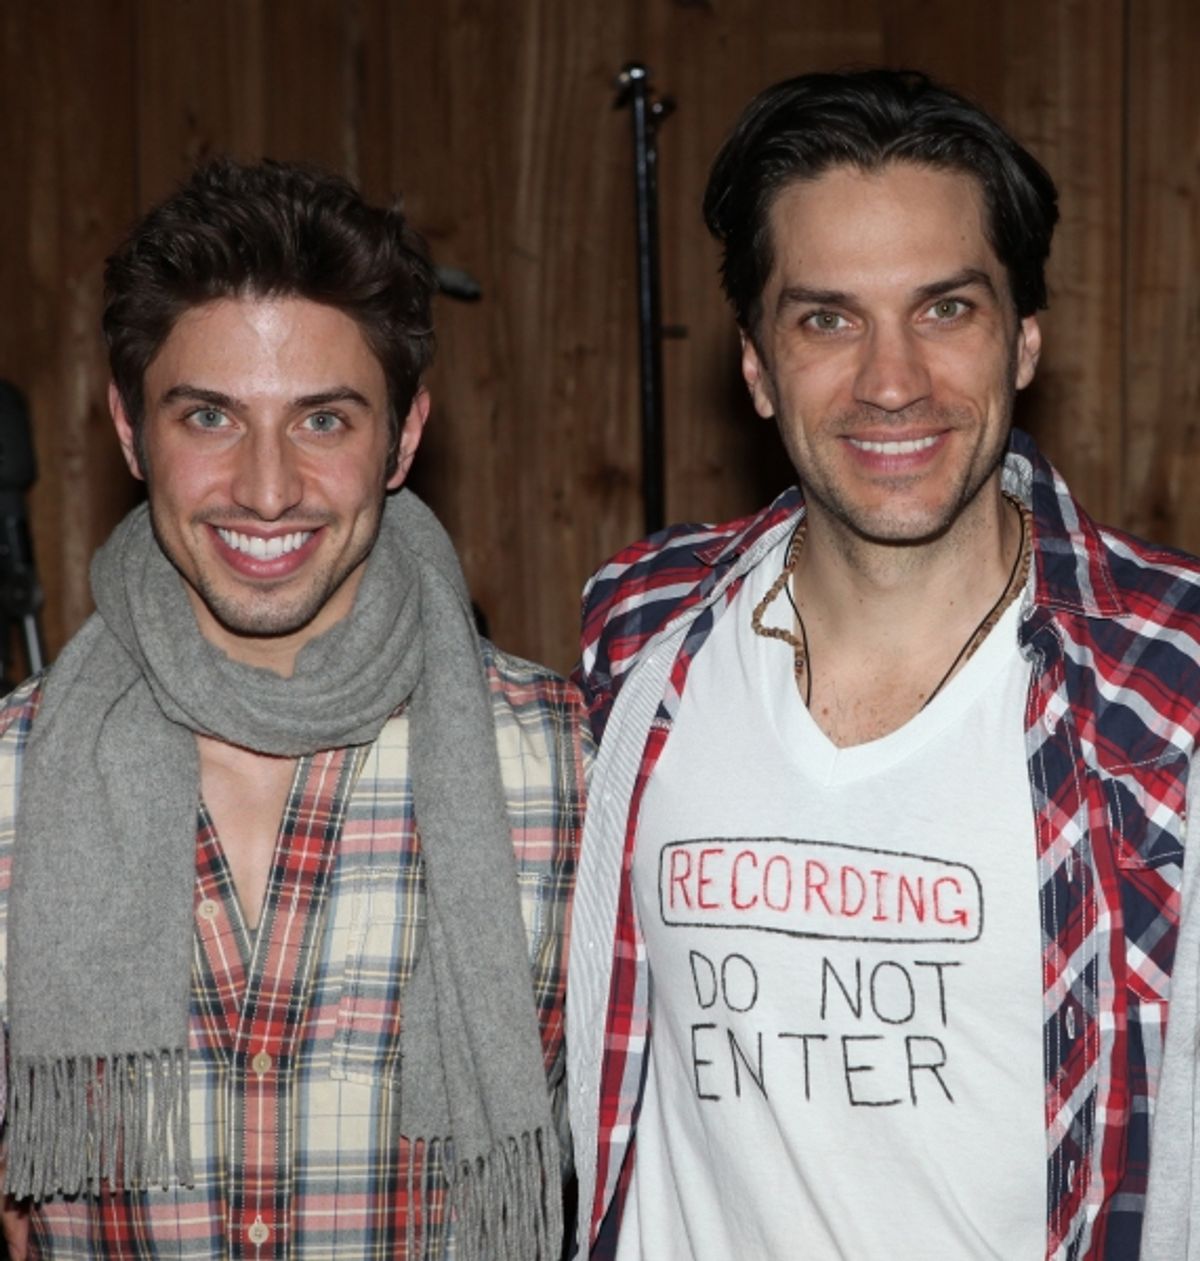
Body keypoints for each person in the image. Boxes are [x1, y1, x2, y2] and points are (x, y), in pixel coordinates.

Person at [568, 69, 1200, 1260]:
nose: (891, 380)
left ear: (1025, 341)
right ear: (755, 366)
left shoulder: (1170, 687)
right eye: (826, 319)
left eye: (945, 309)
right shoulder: (641, 629)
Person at [0, 158, 588, 1260]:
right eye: (211, 416)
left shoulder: (572, 768)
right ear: (130, 431)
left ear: (405, 436)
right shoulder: (11, 778)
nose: (266, 489)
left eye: (323, 420)